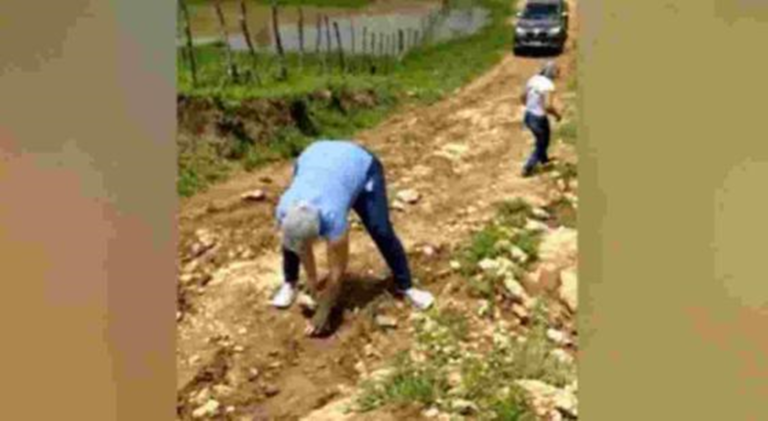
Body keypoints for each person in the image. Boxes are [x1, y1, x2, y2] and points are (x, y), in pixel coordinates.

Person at [271, 140, 435, 336]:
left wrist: (324, 311)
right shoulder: (285, 209)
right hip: (314, 156)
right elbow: (301, 246)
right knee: (293, 238)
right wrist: (312, 285)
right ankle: (290, 282)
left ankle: (407, 286)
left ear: (319, 232)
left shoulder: (332, 217)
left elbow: (337, 271)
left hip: (360, 166)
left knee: (380, 228)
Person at [520, 61, 564, 178]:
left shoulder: (533, 78)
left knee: (543, 139)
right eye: (557, 72)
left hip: (528, 116)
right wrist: (557, 115)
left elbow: (522, 97)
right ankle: (527, 167)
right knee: (542, 144)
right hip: (538, 119)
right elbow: (548, 106)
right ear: (552, 72)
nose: (557, 75)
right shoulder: (549, 85)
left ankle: (544, 160)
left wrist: (531, 106)